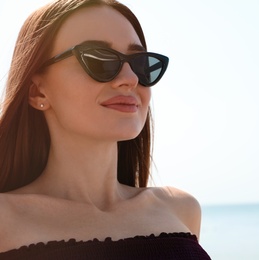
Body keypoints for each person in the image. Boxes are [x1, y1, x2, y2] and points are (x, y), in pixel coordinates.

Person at [0, 0, 210, 259]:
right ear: (38, 91)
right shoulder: (4, 220)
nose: (130, 79)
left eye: (140, 64)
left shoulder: (180, 209)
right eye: (99, 60)